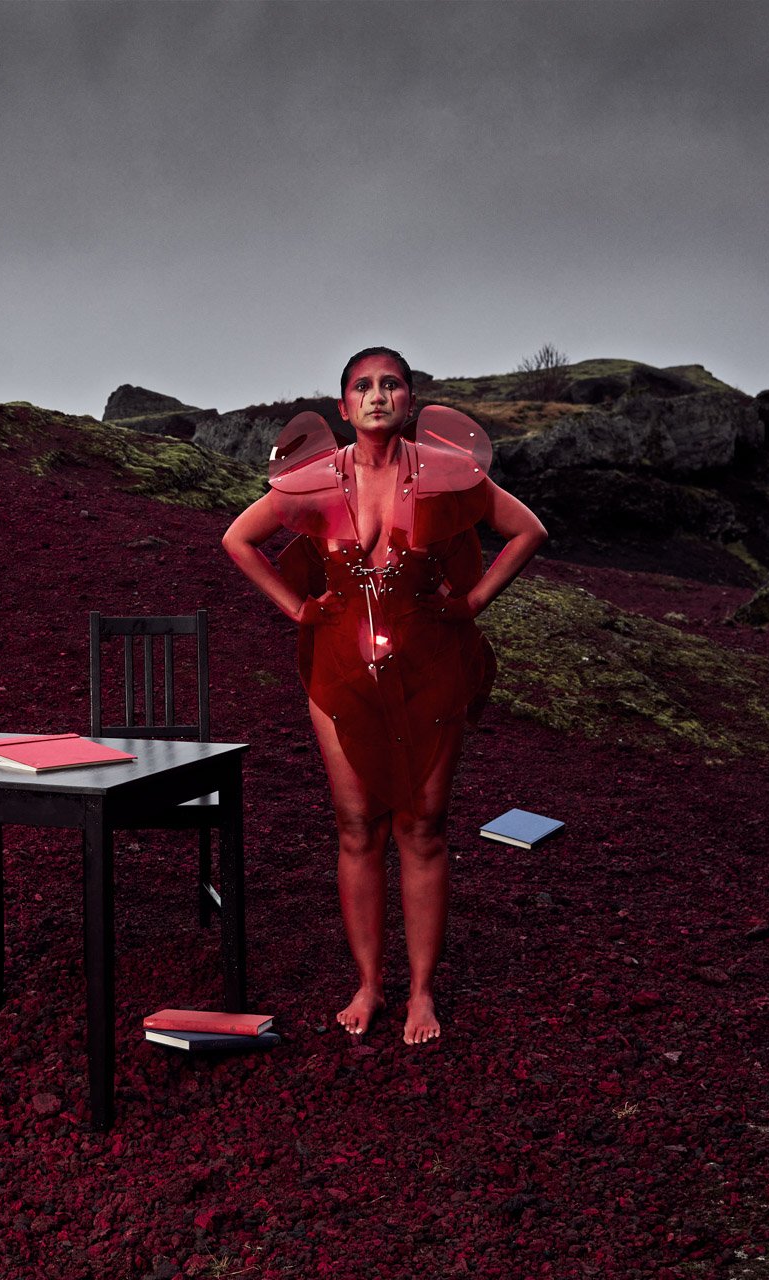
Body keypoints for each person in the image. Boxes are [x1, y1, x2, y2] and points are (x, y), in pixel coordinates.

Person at [222, 347, 548, 1043]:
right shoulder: (310, 481)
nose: (377, 395)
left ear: (409, 401)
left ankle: (422, 993)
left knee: (423, 827)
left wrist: (473, 602)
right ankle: (370, 984)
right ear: (343, 408)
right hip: (340, 672)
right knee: (356, 824)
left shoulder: (448, 475)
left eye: (390, 384)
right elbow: (238, 540)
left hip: (429, 666)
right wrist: (298, 610)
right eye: (362, 387)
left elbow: (527, 531)